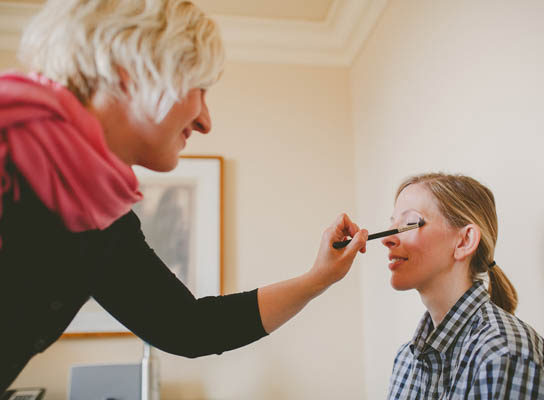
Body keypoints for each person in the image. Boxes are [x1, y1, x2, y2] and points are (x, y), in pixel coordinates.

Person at [0, 0, 369, 392]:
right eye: (200, 89)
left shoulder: (102, 220)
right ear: (131, 71)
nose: (206, 121)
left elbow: (188, 328)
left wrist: (318, 279)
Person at [382, 173, 544, 399]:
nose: (386, 239)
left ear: (464, 241)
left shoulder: (504, 353)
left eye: (408, 224)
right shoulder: (405, 361)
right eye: (391, 225)